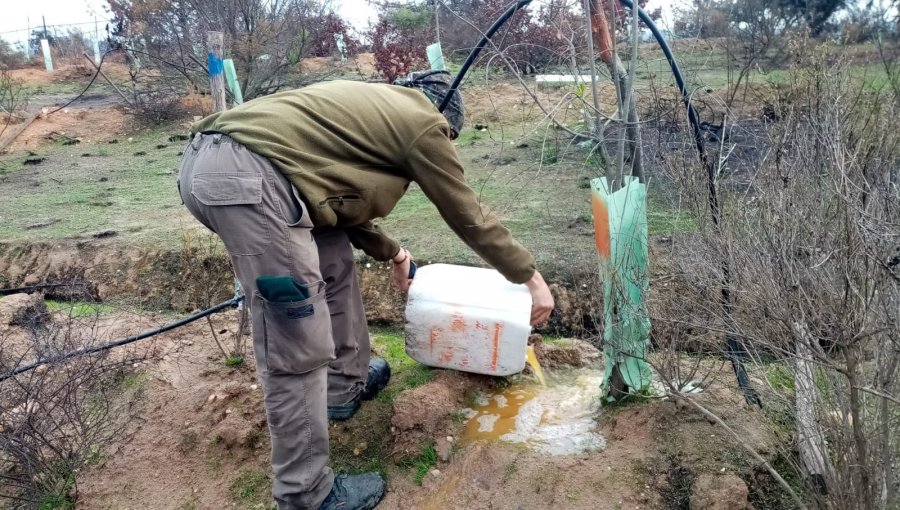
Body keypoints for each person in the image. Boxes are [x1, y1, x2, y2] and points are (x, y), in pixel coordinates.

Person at [177, 70, 555, 510]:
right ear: (447, 123)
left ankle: (342, 388)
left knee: (332, 260)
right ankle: (306, 495)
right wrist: (530, 277)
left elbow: (335, 201)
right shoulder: (425, 124)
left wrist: (394, 253)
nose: (446, 144)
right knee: (296, 337)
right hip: (248, 186)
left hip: (230, 170)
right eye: (449, 138)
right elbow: (468, 215)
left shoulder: (377, 108)